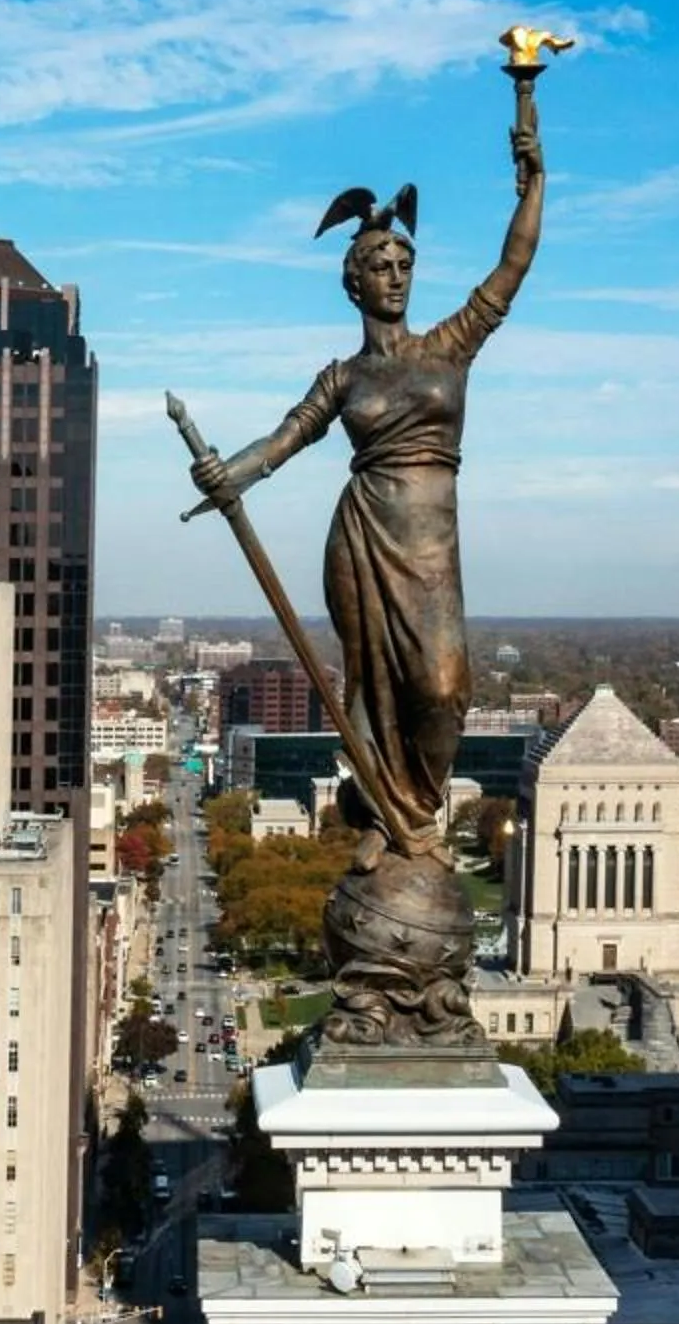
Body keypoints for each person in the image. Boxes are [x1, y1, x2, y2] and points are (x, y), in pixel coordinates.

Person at [189, 111, 546, 867]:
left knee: (444, 689)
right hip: (363, 535)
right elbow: (283, 441)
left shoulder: (451, 345)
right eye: (380, 265)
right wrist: (227, 472)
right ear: (355, 283)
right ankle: (389, 822)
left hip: (431, 543)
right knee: (370, 687)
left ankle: (414, 811)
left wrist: (534, 183)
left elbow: (512, 265)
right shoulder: (343, 378)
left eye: (404, 264)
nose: (396, 276)